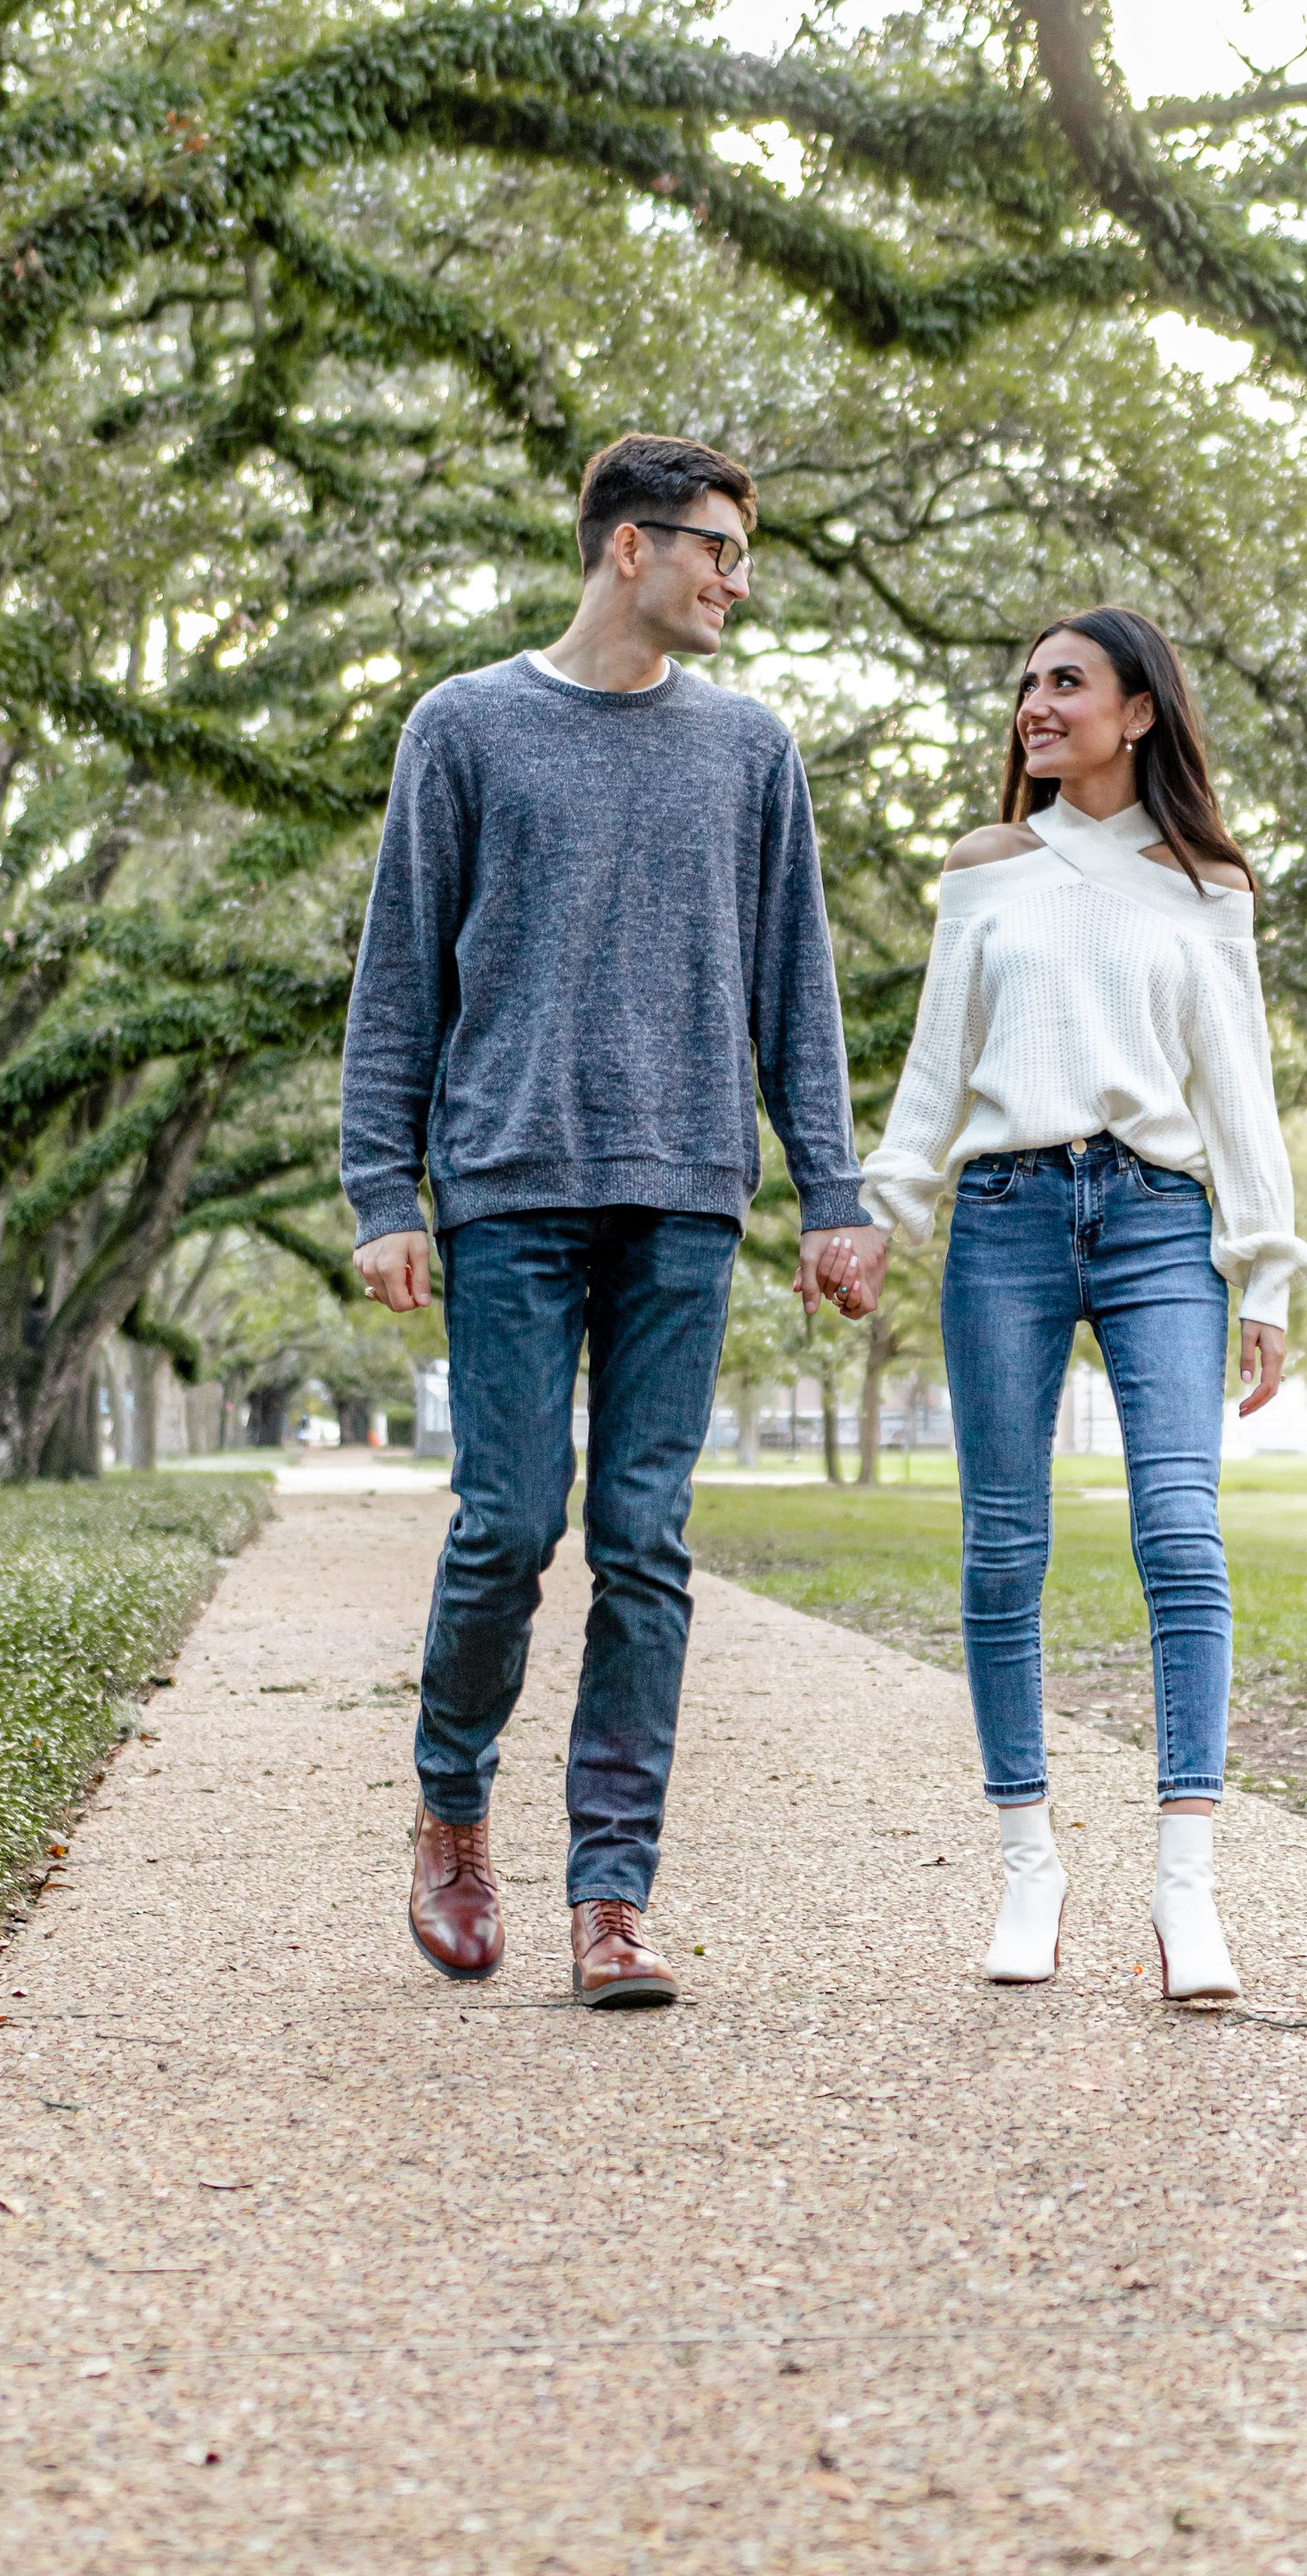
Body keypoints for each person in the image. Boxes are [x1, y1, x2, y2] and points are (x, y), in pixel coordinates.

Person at [343, 433, 886, 2008]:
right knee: (510, 1526)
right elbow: (400, 976)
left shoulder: (751, 750)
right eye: (718, 548)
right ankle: (454, 1813)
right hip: (507, 1182)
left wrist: (832, 1189)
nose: (737, 582)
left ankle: (611, 1895)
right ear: (628, 546)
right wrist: (383, 1188)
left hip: (685, 1194)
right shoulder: (464, 726)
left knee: (644, 1544)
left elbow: (796, 986)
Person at [830, 607, 1307, 2000]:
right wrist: (880, 1212)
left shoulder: (1204, 885)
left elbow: (1239, 1086)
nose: (1034, 706)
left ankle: (1185, 1890)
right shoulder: (987, 869)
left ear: (1138, 710)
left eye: (1065, 682)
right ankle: (1028, 1865)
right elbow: (938, 1064)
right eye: (1027, 686)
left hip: (1159, 1219)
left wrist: (1266, 1268)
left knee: (1182, 1533)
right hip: (1006, 1217)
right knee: (1002, 1546)